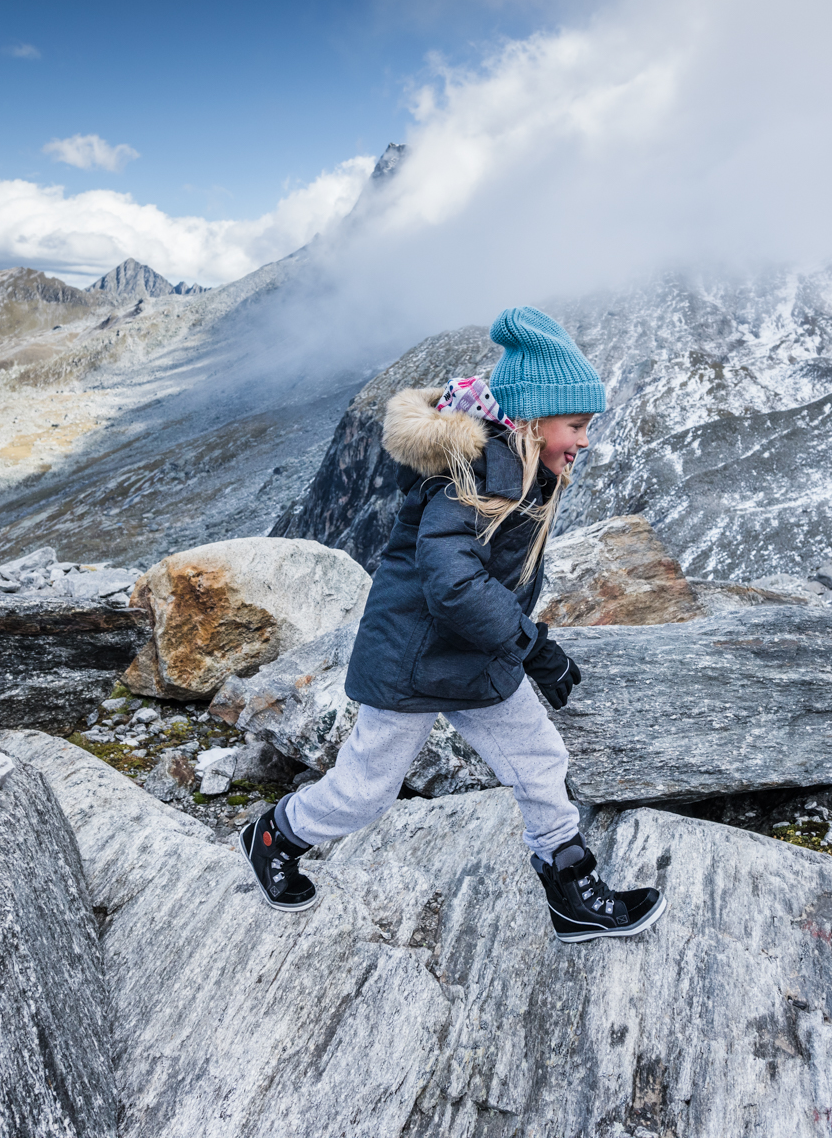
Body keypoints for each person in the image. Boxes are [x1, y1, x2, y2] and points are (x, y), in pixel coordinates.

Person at [239, 306, 665, 943]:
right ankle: (274, 834)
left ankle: (572, 889)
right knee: (365, 792)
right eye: (575, 425)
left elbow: (489, 583)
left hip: (478, 657)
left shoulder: (526, 469)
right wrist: (534, 646)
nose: (583, 441)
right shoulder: (465, 481)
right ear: (532, 418)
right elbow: (453, 584)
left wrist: (518, 645)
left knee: (540, 760)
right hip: (413, 662)